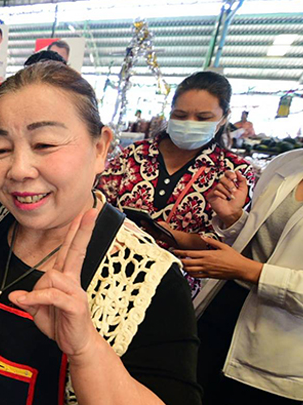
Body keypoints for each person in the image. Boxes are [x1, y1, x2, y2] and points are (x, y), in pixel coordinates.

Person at [0, 61, 200, 405]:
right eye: (1, 149)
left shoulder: (148, 278)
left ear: (100, 148)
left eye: (45, 144)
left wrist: (86, 348)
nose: (19, 170)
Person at [97, 71, 255, 297]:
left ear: (224, 118)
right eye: (180, 115)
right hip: (110, 275)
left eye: (203, 118)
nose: (190, 124)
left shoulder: (233, 172)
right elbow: (98, 203)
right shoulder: (135, 155)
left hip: (177, 288)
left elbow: (229, 246)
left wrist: (172, 235)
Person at [176, 149, 303, 404]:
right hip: (223, 313)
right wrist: (234, 218)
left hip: (281, 348)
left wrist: (247, 270)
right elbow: (265, 243)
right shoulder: (287, 163)